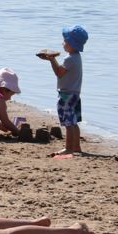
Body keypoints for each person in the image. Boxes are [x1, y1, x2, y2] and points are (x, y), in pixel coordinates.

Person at [39, 25, 88, 157]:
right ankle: (76, 147)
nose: (63, 43)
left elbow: (59, 73)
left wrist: (52, 59)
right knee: (74, 122)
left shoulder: (69, 58)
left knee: (68, 123)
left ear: (71, 44)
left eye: (65, 41)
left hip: (66, 94)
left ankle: (69, 149)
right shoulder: (76, 57)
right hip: (75, 93)